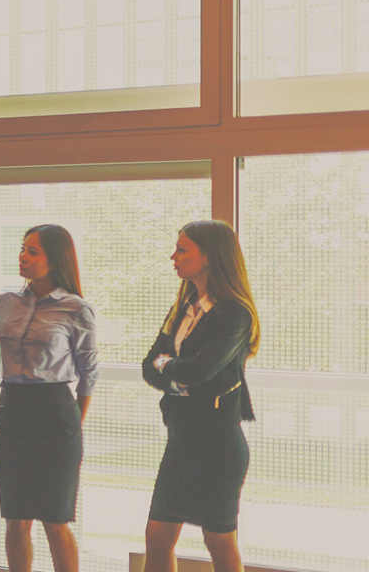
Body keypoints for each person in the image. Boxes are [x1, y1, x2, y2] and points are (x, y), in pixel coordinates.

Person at [0, 225, 94, 572]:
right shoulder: (5, 303)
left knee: (55, 520)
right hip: (12, 411)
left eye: (32, 251)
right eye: (22, 249)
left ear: (55, 259)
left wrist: (73, 426)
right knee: (16, 518)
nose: (22, 256)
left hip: (56, 412)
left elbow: (89, 375)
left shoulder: (75, 308)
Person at [138, 220, 259, 572]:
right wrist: (176, 374)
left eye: (181, 249)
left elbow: (200, 372)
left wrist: (170, 368)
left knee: (218, 541)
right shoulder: (183, 307)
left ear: (208, 256)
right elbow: (148, 366)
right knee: (157, 536)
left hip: (218, 446)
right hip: (181, 440)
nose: (172, 256)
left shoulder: (233, 313)